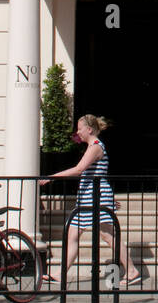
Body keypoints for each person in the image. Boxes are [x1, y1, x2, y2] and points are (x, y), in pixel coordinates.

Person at [39, 115, 142, 287]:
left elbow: (79, 170)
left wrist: (52, 177)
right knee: (72, 234)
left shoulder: (95, 147)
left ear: (89, 129)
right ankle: (60, 274)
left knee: (108, 236)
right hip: (88, 197)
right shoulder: (92, 147)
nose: (77, 132)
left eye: (80, 128)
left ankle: (132, 271)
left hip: (96, 196)